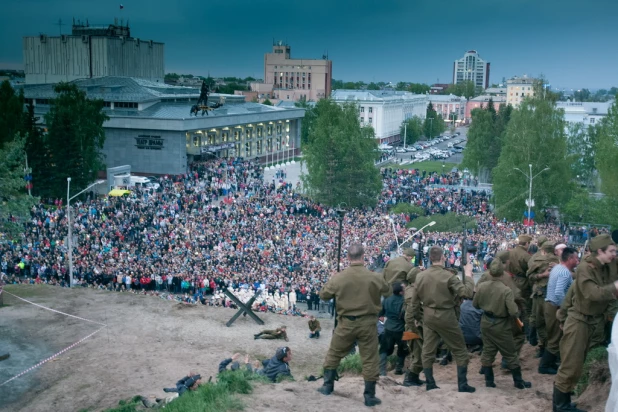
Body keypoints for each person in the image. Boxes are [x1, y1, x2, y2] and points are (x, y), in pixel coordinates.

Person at [317, 243, 390, 407]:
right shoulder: (374, 277)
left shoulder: (340, 277)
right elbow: (387, 291)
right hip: (368, 323)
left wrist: (335, 281)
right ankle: (369, 395)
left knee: (334, 353)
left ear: (348, 258)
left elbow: (323, 294)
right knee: (370, 358)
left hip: (346, 323)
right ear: (363, 257)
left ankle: (327, 386)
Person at [553, 234, 618, 412]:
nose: (615, 254)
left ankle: (564, 401)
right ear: (600, 251)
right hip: (579, 321)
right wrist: (615, 287)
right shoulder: (585, 269)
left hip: (593, 322)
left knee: (578, 364)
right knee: (570, 365)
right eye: (612, 251)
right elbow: (592, 294)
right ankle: (560, 406)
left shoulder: (609, 264)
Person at [411, 245, 475, 392]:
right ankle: (462, 384)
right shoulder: (448, 276)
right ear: (443, 257)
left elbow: (414, 302)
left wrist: (418, 317)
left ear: (430, 258)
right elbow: (466, 293)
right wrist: (468, 274)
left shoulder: (420, 276)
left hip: (428, 315)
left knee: (428, 350)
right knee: (460, 349)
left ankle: (430, 382)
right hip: (446, 315)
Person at [474, 260, 531, 389]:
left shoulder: (482, 286)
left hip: (486, 322)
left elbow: (475, 304)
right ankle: (518, 382)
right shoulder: (506, 290)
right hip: (501, 324)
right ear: (502, 274)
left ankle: (489, 381)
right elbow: (513, 312)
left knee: (488, 351)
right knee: (510, 353)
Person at [542, 247, 579, 375]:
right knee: (555, 337)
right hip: (555, 307)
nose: (577, 261)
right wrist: (564, 309)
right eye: (576, 258)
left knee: (553, 335)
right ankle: (545, 366)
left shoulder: (557, 268)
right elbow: (559, 293)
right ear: (569, 259)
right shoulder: (564, 272)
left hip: (549, 305)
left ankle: (549, 363)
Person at [527, 242, 559, 358]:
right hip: (556, 297)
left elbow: (530, 277)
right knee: (553, 324)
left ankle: (543, 346)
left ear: (543, 251)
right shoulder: (560, 262)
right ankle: (551, 349)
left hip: (540, 295)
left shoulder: (537, 261)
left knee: (539, 322)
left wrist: (541, 276)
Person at [402, 266, 425, 387]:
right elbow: (410, 317)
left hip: (412, 328)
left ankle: (414, 378)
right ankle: (409, 379)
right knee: (419, 355)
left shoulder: (412, 289)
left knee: (418, 354)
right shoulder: (412, 293)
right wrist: (419, 331)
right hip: (413, 329)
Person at [378, 282, 408, 375]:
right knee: (403, 349)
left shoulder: (387, 300)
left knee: (384, 349)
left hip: (388, 328)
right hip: (401, 328)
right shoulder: (404, 301)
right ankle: (398, 369)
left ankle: (382, 371)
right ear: (401, 292)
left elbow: (380, 314)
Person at [508, 235, 533, 342]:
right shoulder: (526, 256)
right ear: (527, 243)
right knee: (525, 308)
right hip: (523, 282)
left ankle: (515, 330)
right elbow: (532, 269)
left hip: (512, 281)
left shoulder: (511, 252)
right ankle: (527, 333)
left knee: (514, 307)